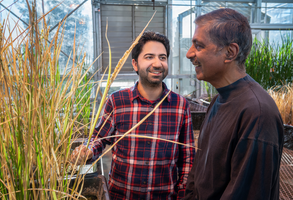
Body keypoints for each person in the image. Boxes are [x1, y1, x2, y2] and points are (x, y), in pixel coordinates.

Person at [71, 31, 195, 200]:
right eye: (149, 57)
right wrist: (87, 151)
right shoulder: (117, 101)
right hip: (121, 195)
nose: (157, 63)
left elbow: (187, 157)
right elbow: (99, 138)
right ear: (135, 64)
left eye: (163, 57)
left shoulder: (180, 105)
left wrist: (182, 194)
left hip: (165, 195)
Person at [183, 8, 284, 200]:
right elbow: (198, 173)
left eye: (199, 46)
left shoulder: (257, 113)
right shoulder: (218, 100)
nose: (189, 54)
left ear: (230, 52)